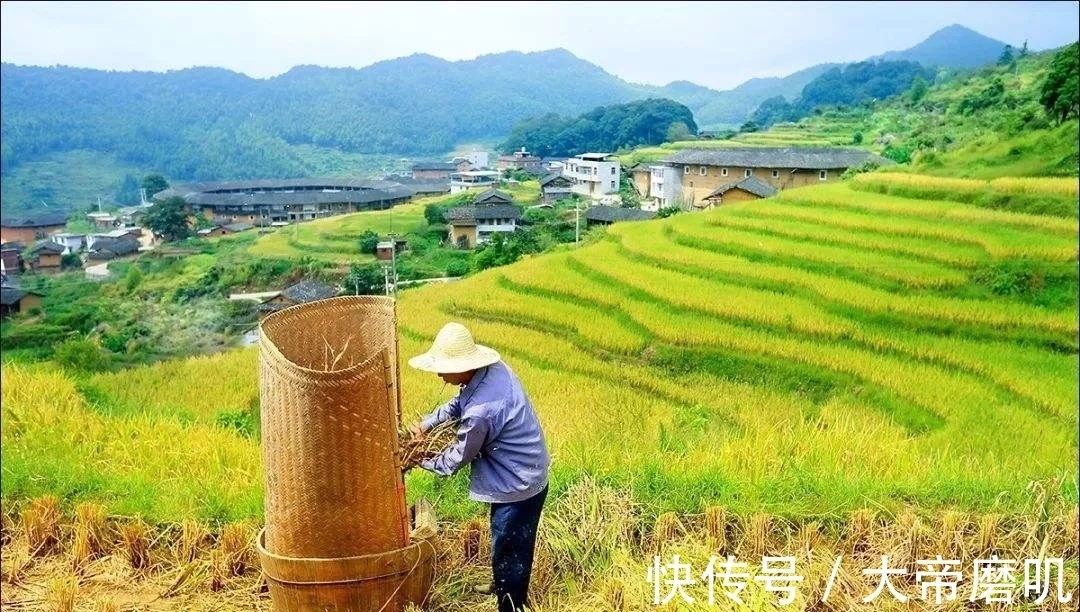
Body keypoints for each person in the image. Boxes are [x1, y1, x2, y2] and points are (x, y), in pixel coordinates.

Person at [405, 322, 550, 612]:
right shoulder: (491, 372)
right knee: (503, 541)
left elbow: (456, 459)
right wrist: (428, 422)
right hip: (522, 468)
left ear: (464, 366)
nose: (439, 374)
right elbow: (458, 403)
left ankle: (511, 603)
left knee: (511, 549)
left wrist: (419, 459)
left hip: (518, 484)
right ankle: (502, 584)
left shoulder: (481, 413)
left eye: (445, 367)